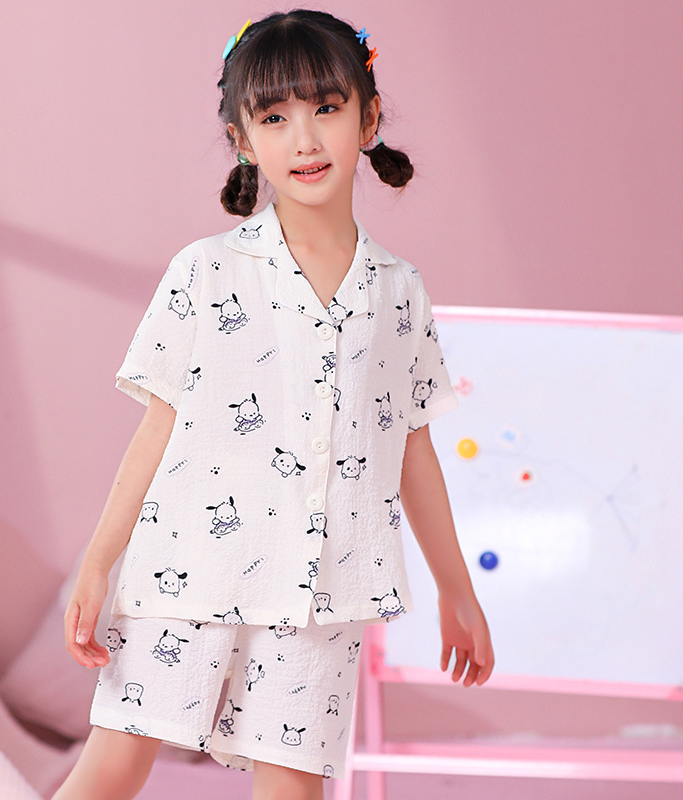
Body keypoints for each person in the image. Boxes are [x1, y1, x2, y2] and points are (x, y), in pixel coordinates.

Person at [52, 9, 493, 800]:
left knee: (293, 789)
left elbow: (412, 449)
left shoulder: (399, 292)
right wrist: (97, 562)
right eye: (275, 117)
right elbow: (159, 427)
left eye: (326, 107)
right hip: (189, 570)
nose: (305, 138)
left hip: (322, 594)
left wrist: (457, 591)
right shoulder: (205, 272)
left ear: (369, 119)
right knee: (112, 769)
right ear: (242, 140)